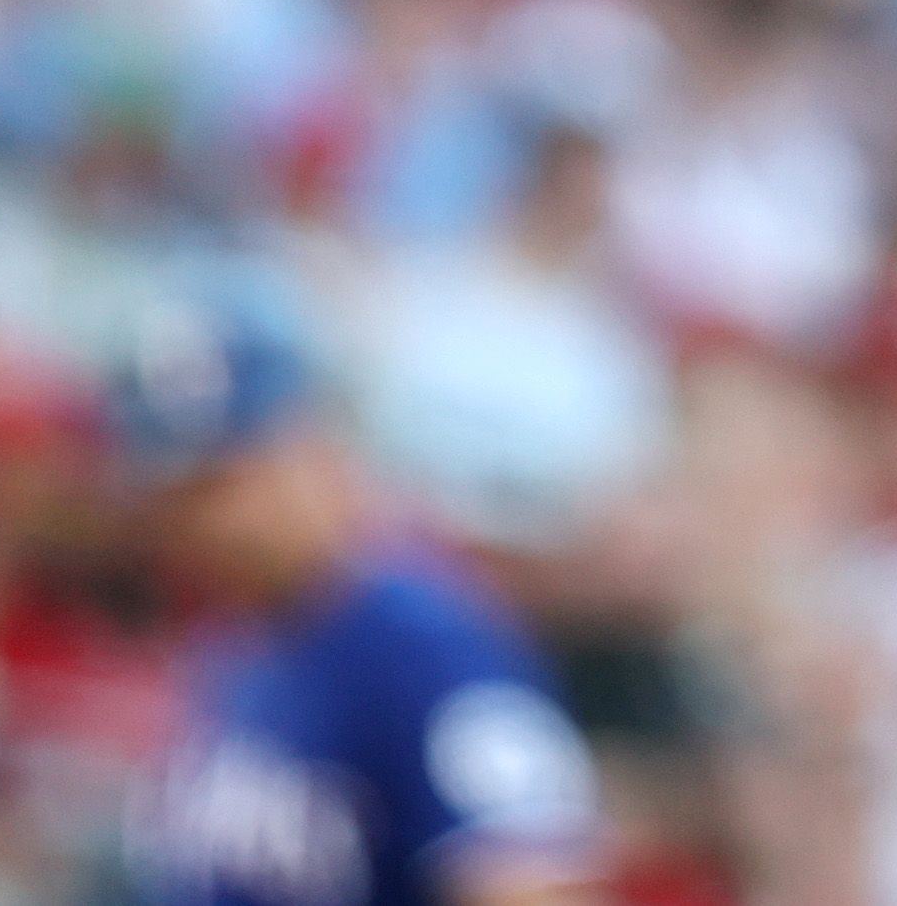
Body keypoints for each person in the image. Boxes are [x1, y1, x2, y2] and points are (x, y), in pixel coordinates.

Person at [102, 301, 605, 906]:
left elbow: (531, 888)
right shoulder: (232, 643)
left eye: (226, 480)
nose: (205, 522)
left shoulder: (434, 647)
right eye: (177, 497)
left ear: (314, 444)